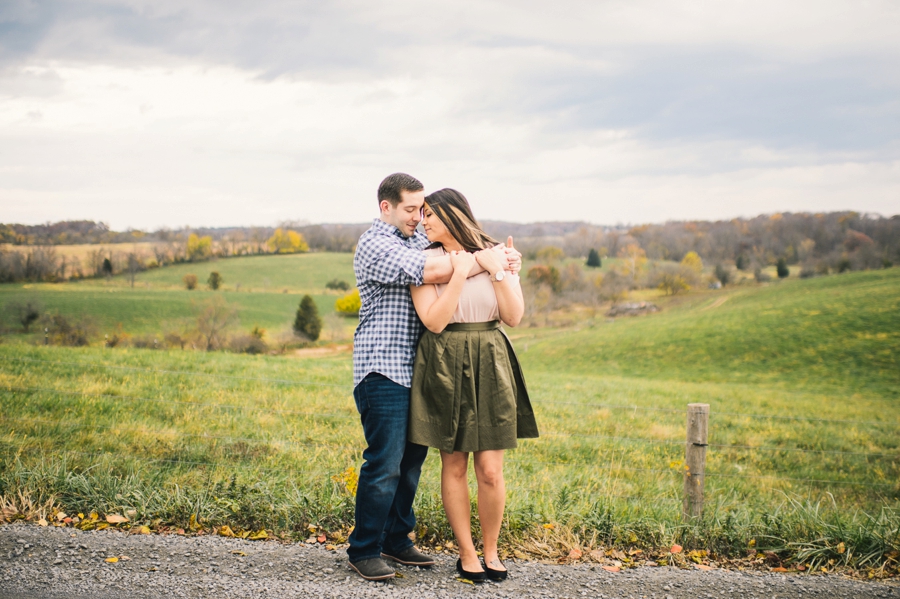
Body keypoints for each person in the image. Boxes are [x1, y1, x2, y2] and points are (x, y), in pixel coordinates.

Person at [349, 173, 521, 581]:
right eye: (411, 209)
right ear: (385, 207)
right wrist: (488, 259)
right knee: (385, 462)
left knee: (410, 463)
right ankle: (364, 548)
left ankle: (396, 538)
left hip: (419, 370)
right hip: (383, 368)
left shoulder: (414, 239)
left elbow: (446, 255)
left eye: (423, 209)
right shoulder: (378, 244)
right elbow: (428, 269)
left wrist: (500, 259)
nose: (418, 217)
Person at [408, 188, 539, 582]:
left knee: (490, 469)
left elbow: (514, 315)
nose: (424, 220)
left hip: (490, 356)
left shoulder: (498, 252)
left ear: (454, 214)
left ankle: (492, 551)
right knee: (453, 462)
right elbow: (434, 321)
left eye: (431, 213)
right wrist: (463, 272)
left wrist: (497, 267)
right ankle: (466, 554)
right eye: (422, 213)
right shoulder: (425, 261)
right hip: (445, 357)